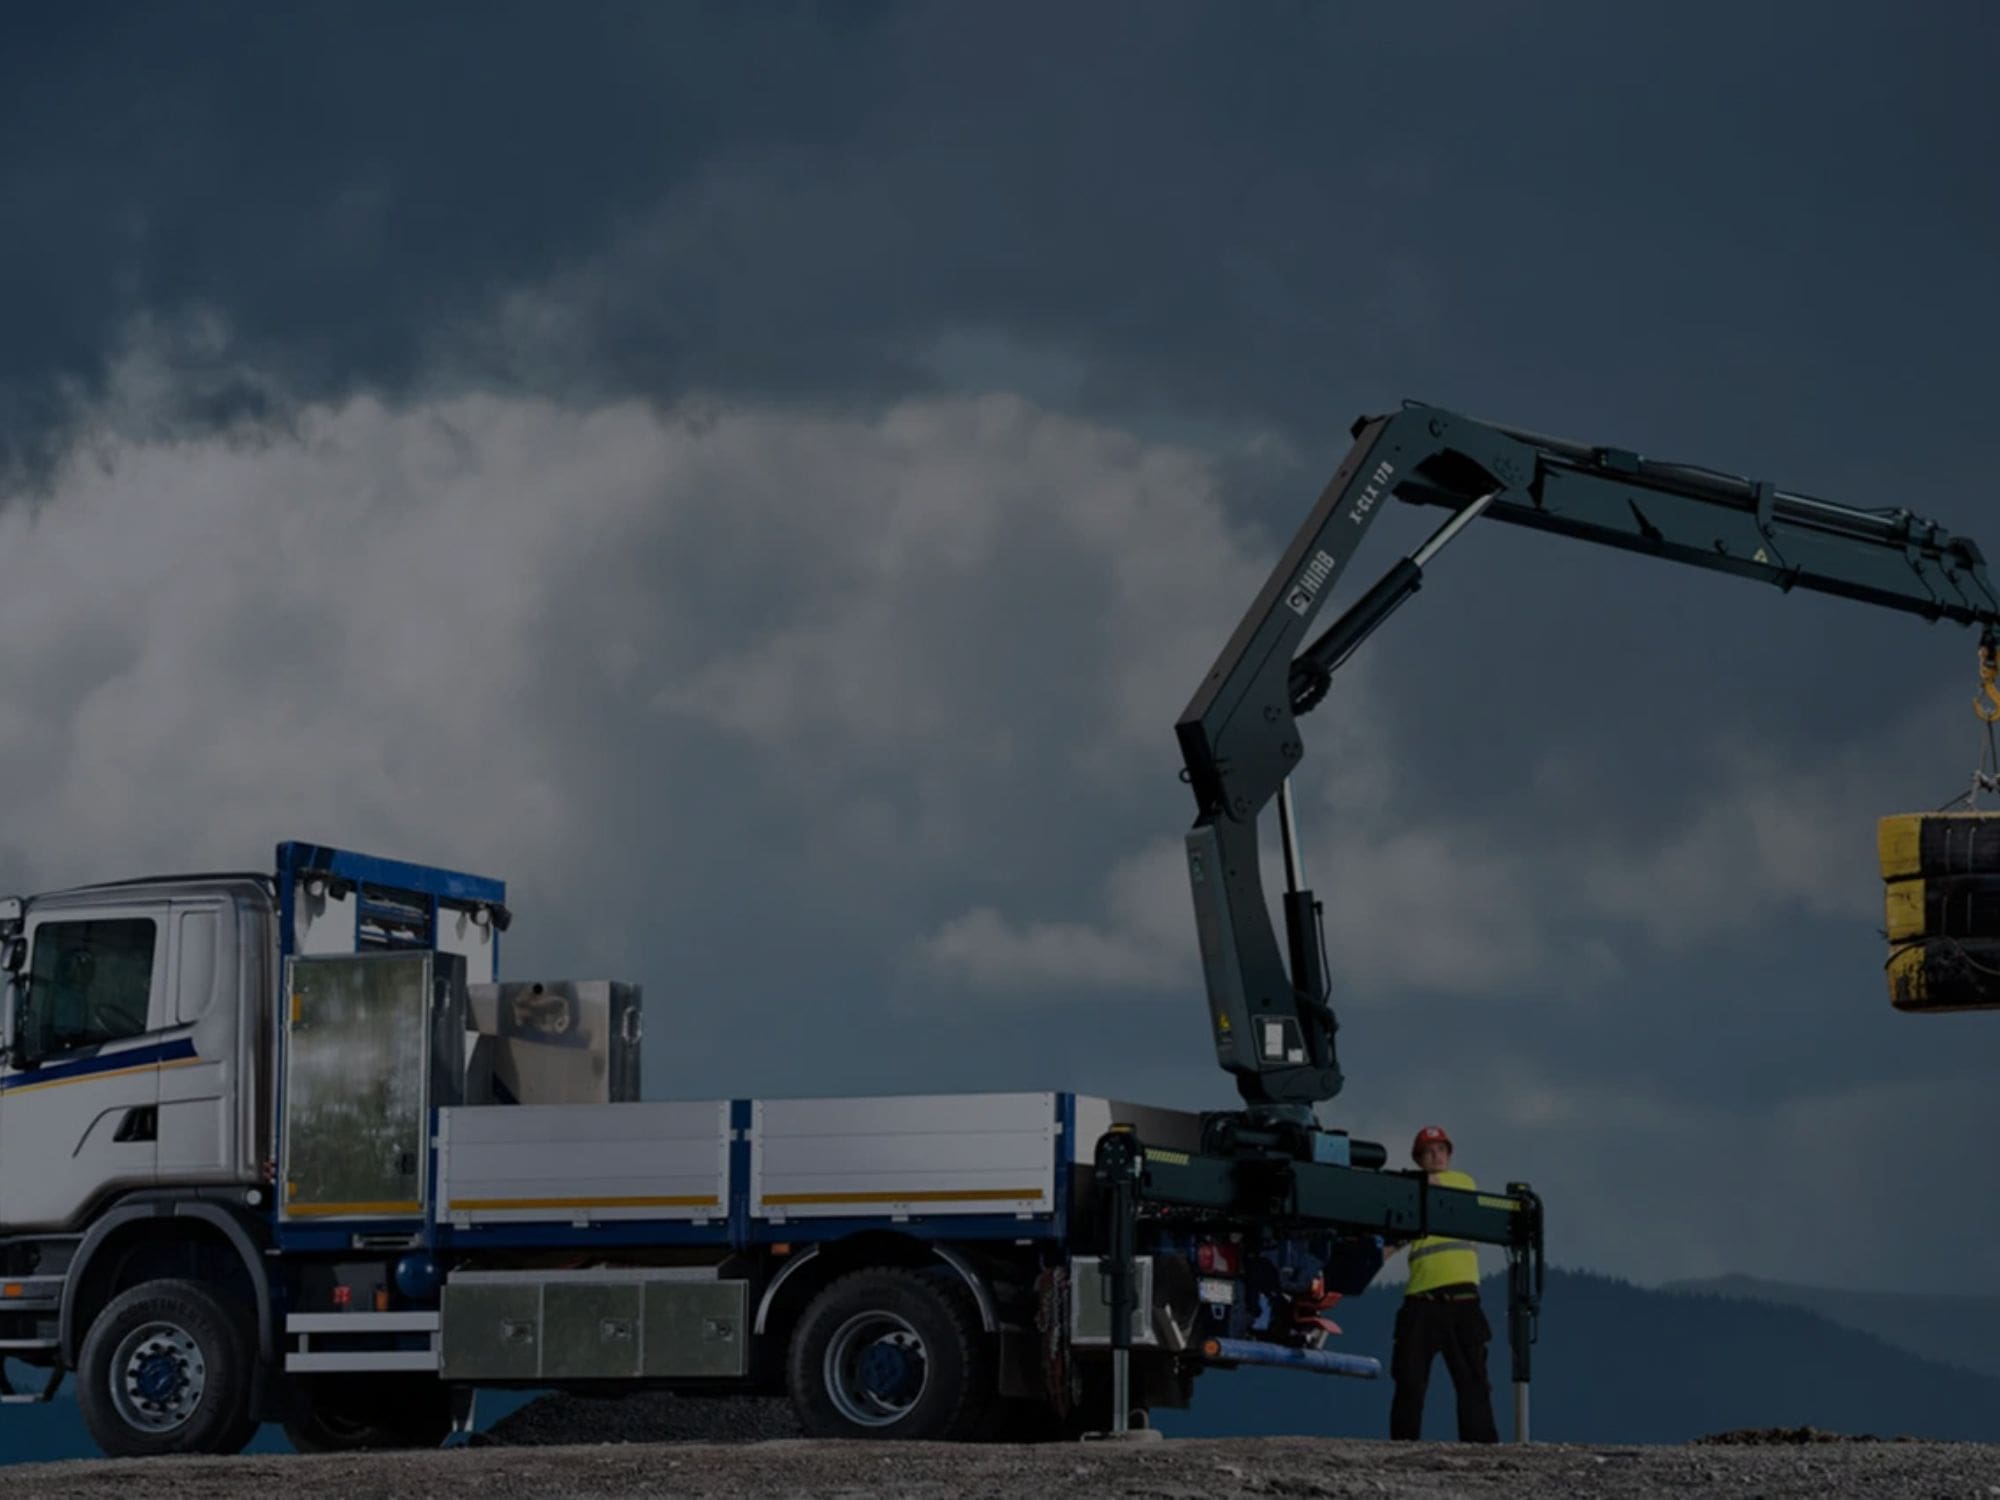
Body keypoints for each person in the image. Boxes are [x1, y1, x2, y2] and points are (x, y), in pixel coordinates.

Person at [1381, 1124, 1498, 1443]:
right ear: (1420, 1158)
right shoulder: (1414, 1202)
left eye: (1440, 1150)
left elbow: (1431, 1188)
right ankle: (1402, 1445)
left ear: (1448, 1154)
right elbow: (1391, 1242)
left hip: (1462, 1300)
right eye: (1429, 1152)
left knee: (1472, 1379)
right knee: (1409, 1379)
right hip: (1422, 1300)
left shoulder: (1460, 1183)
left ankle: (1481, 1448)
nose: (1436, 1155)